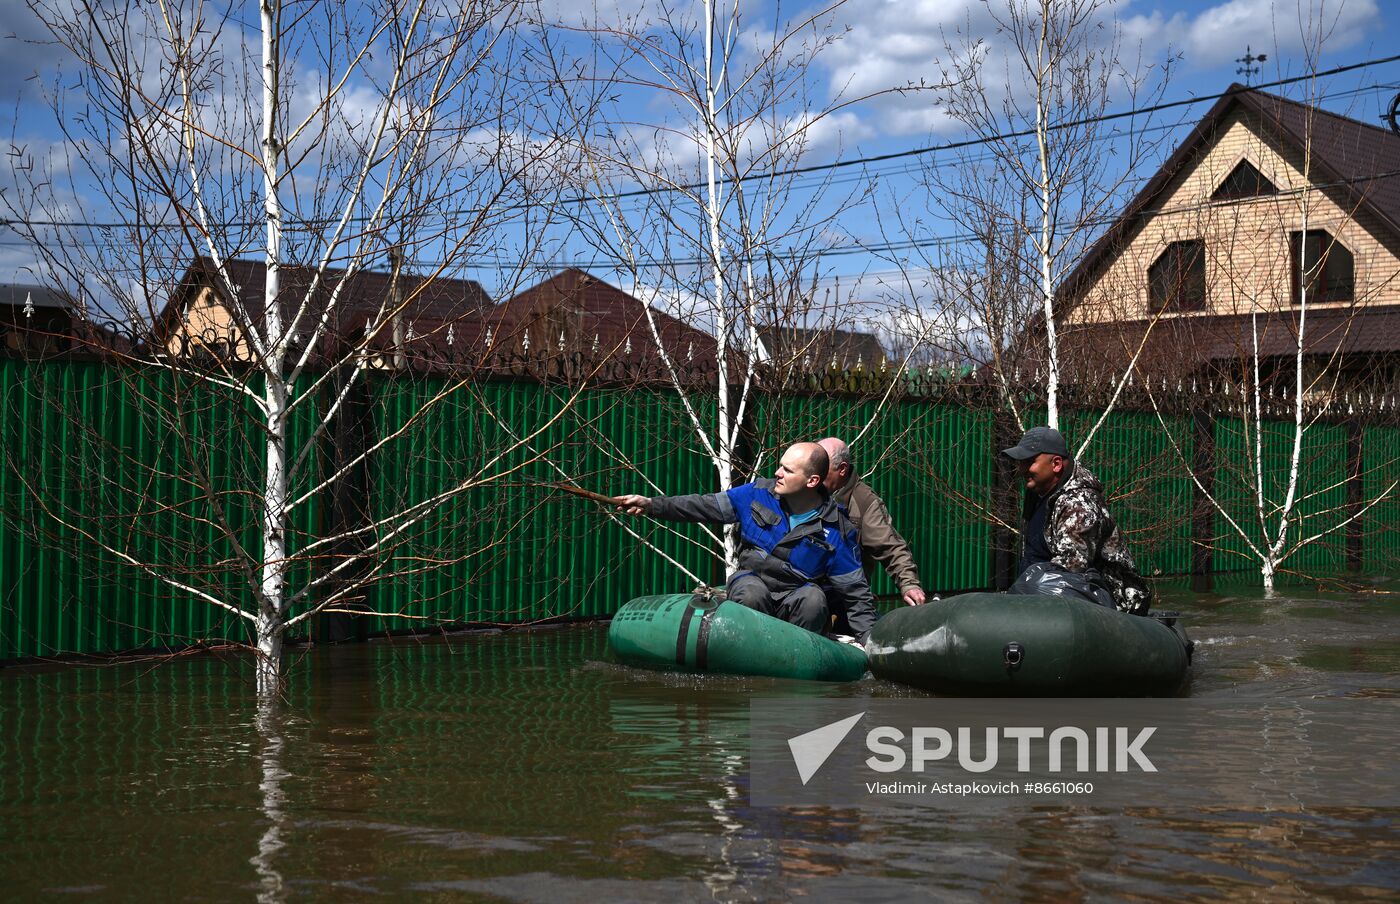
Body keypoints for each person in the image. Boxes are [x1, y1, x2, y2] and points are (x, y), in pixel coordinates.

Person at [616, 442, 878, 640]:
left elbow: (855, 593)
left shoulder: (837, 529)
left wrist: (870, 643)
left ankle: (795, 670)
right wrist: (651, 505)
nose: (777, 473)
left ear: (812, 481)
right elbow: (700, 506)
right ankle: (746, 660)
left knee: (814, 600)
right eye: (780, 465)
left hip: (794, 594)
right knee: (752, 594)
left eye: (787, 470)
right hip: (752, 580)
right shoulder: (755, 494)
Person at [1001, 426, 1152, 614]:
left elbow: (1070, 568)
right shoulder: (1038, 494)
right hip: (1047, 600)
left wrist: (1023, 593)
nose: (1022, 469)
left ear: (1056, 464)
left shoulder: (1079, 505)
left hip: (1112, 606)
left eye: (1029, 462)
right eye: (1021, 462)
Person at [816, 437, 927, 607]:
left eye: (823, 467)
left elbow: (890, 546)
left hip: (843, 596)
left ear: (842, 469)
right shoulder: (803, 487)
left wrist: (909, 584)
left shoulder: (864, 502)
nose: (815, 472)